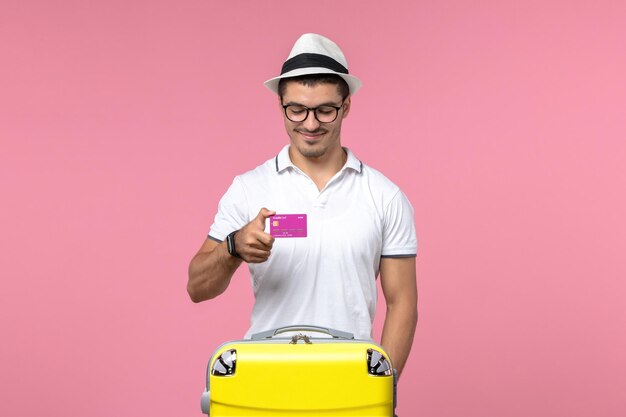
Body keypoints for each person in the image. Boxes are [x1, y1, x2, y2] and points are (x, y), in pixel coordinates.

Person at [187, 33, 418, 377]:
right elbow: (197, 288)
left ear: (346, 106)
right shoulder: (249, 189)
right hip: (266, 377)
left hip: (350, 380)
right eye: (297, 109)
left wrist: (384, 388)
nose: (310, 124)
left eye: (325, 110)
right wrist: (233, 247)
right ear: (281, 105)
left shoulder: (384, 196)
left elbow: (402, 303)